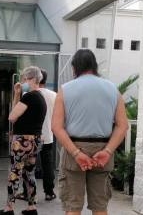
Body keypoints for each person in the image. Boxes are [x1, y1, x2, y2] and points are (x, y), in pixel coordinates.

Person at [51, 49, 129, 215]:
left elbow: (56, 127)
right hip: (103, 149)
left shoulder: (65, 89)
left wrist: (76, 153)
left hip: (74, 148)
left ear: (73, 68)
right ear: (94, 66)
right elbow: (122, 125)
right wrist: (107, 151)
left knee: (72, 206)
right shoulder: (113, 89)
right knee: (100, 207)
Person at [0, 66, 47, 215]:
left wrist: (19, 96)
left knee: (14, 173)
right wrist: (17, 94)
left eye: (24, 79)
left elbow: (12, 117)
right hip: (37, 140)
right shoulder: (40, 97)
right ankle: (32, 207)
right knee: (29, 173)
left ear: (33, 80)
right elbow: (16, 114)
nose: (21, 82)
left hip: (22, 141)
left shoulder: (29, 97)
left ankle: (9, 208)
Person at [17, 69, 57, 202]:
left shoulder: (29, 95)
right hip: (48, 135)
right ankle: (49, 192)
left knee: (28, 165)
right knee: (48, 164)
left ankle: (27, 192)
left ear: (35, 79)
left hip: (31, 135)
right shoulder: (54, 95)